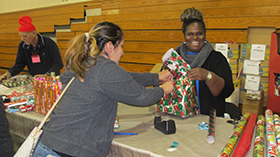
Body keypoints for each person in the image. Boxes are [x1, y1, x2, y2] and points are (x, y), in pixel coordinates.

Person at [31, 21, 174, 157]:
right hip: (69, 151)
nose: (122, 52)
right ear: (110, 47)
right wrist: (163, 89)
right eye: (121, 46)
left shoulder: (87, 63)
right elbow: (142, 97)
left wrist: (155, 77)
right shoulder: (105, 69)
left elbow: (123, 79)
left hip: (49, 144)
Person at [174, 7, 234, 117]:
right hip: (178, 118)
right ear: (184, 36)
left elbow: (226, 91)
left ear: (205, 35)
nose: (195, 38)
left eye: (199, 33)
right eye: (190, 34)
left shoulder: (216, 59)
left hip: (208, 121)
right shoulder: (175, 58)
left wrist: (208, 75)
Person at [0, 15, 63, 82]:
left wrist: (46, 75)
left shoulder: (49, 43)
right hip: (35, 80)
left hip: (51, 80)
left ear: (33, 33)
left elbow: (58, 64)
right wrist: (8, 74)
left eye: (25, 36)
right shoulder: (22, 46)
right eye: (21, 36)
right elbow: (19, 64)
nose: (22, 39)